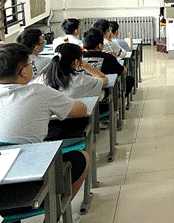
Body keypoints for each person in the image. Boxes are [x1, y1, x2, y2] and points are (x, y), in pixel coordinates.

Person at [0, 43, 90, 200]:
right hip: (30, 182)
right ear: (23, 72)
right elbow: (81, 110)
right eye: (30, 64)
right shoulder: (39, 91)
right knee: (83, 157)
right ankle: (57, 211)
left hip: (4, 176)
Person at [32, 43, 108, 99]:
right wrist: (87, 67)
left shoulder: (41, 79)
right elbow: (104, 79)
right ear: (76, 62)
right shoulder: (79, 80)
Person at [82, 27, 134, 97]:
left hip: (79, 92)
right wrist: (113, 59)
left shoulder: (77, 58)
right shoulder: (107, 58)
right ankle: (118, 102)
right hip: (101, 92)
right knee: (129, 80)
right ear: (99, 46)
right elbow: (124, 71)